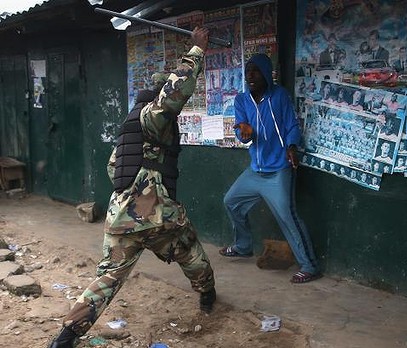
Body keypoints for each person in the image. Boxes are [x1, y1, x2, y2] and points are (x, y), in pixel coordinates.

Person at [47, 28, 215, 348]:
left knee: (108, 278)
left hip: (122, 218)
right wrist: (196, 51)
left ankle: (67, 335)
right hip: (157, 215)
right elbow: (173, 95)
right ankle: (207, 296)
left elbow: (114, 168)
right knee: (191, 253)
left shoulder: (129, 128)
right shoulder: (153, 117)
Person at [220, 53, 321, 284]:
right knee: (231, 201)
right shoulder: (242, 100)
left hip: (279, 169)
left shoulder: (279, 96)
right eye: (248, 72)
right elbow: (241, 132)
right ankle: (243, 246)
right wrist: (243, 132)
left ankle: (309, 266)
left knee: (287, 215)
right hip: (256, 170)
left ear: (266, 73)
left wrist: (292, 146)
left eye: (256, 71)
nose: (251, 76)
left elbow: (292, 127)